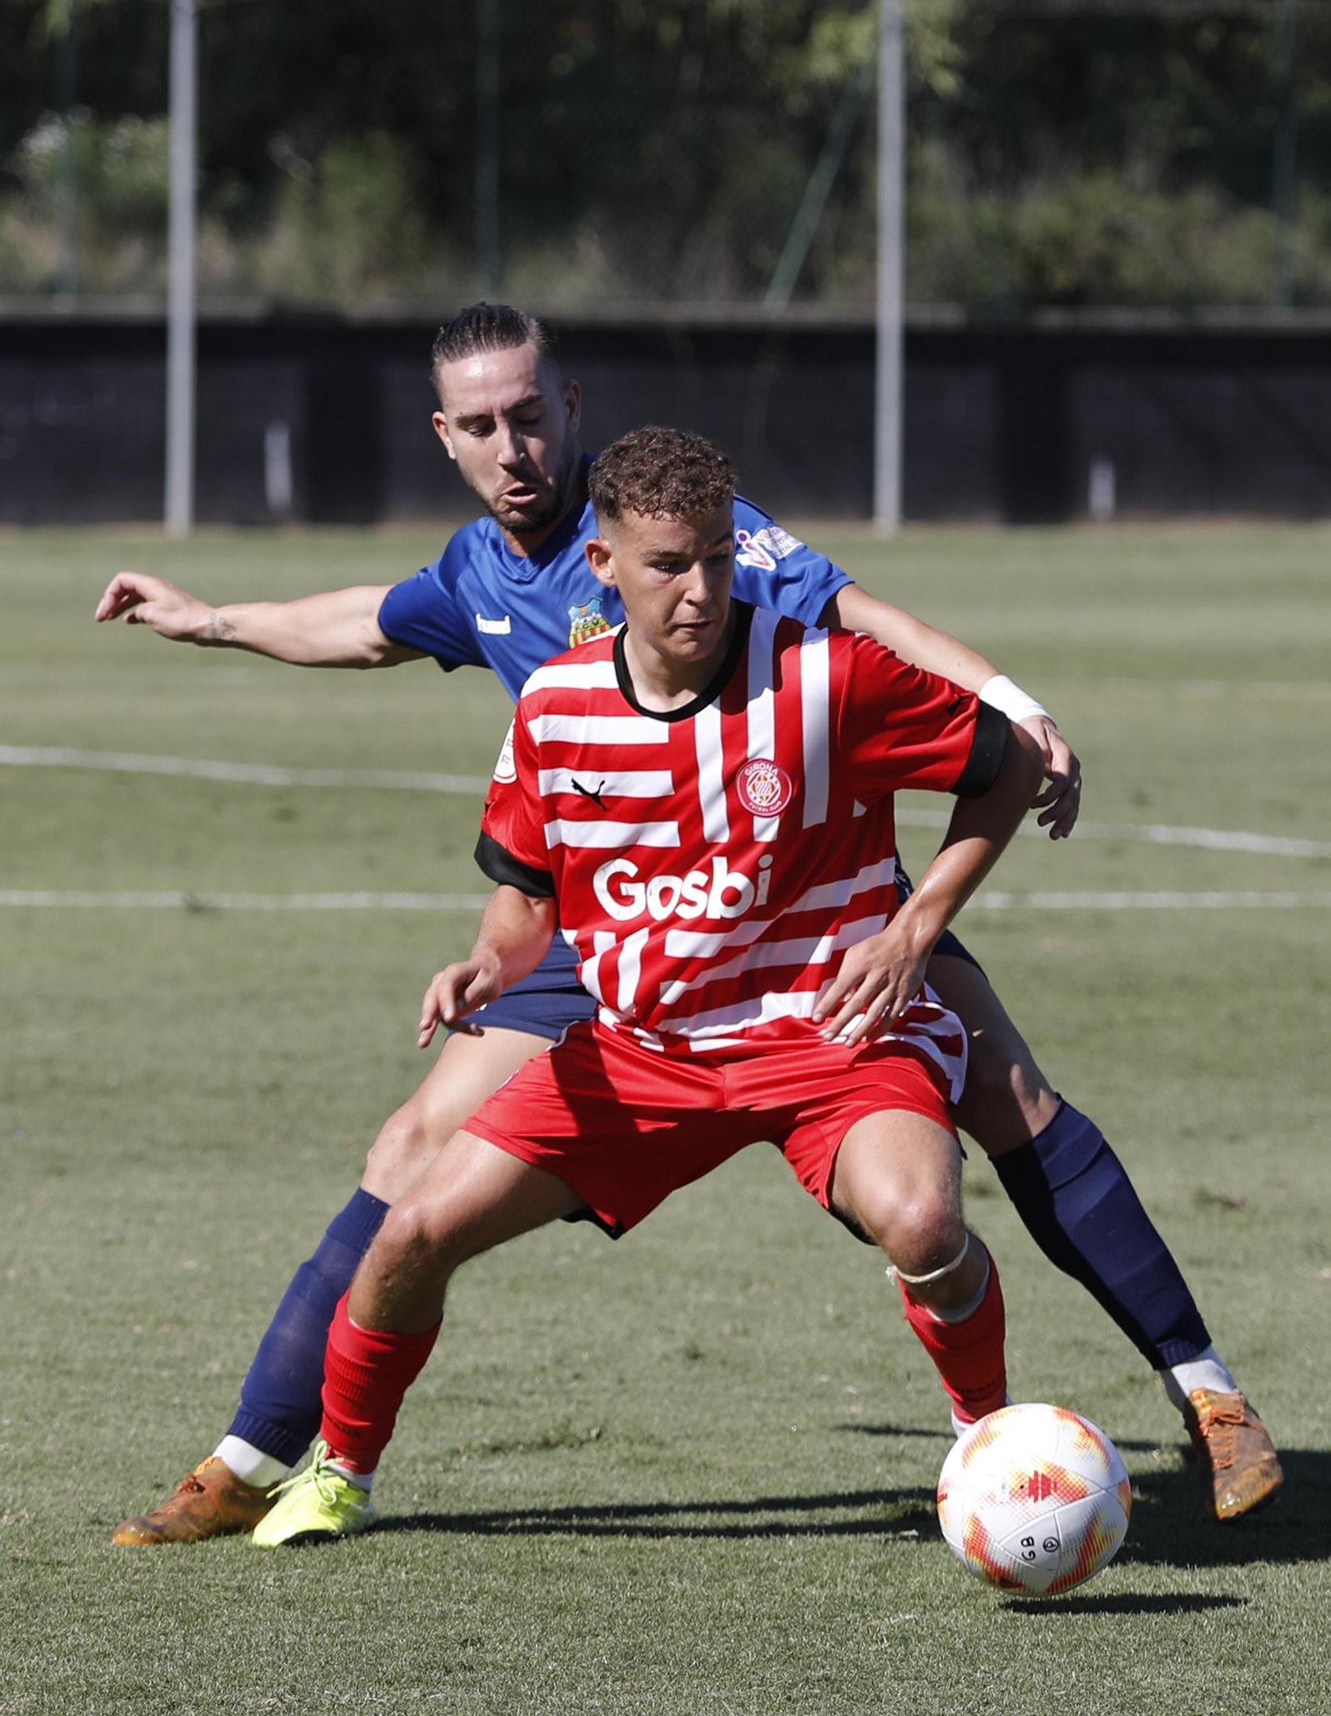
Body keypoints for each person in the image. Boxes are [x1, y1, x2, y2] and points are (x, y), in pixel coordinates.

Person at [96, 303, 1280, 1537]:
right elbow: (360, 623)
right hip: (610, 924)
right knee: (409, 1156)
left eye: (531, 416)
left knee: (1005, 1100)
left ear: (571, 408)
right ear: (445, 435)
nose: (514, 450)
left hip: (797, 903)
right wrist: (213, 618)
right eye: (483, 426)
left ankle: (1202, 1390)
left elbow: (865, 623)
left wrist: (1009, 704)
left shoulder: (708, 545)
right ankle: (260, 1454)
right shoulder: (480, 575)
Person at [251, 424, 1045, 1544]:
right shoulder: (555, 710)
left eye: (718, 555)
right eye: (670, 563)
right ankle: (341, 1469)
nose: (701, 587)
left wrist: (917, 926)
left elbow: (1003, 764)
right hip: (640, 1054)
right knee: (408, 1234)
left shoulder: (825, 674)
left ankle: (988, 1443)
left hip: (827, 1037)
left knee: (920, 1219)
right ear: (605, 566)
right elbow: (526, 902)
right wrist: (486, 962)